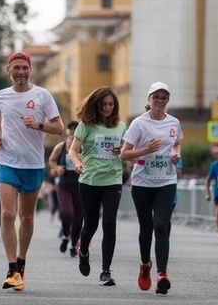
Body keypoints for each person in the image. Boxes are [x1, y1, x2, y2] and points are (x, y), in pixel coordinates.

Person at [0, 51, 63, 291]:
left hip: (32, 165)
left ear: (30, 70)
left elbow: (59, 127)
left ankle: (21, 263)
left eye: (24, 68)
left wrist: (38, 124)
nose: (20, 72)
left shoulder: (42, 95)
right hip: (7, 162)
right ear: (8, 70)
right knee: (7, 214)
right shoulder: (0, 96)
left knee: (27, 217)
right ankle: (11, 269)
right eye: (16, 68)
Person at [120, 82, 181, 295]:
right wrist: (146, 149)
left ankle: (162, 274)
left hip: (166, 181)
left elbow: (176, 143)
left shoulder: (174, 122)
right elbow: (124, 154)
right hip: (142, 183)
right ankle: (145, 264)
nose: (160, 101)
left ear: (167, 101)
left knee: (161, 225)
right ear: (149, 100)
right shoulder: (139, 123)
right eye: (156, 97)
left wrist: (176, 155)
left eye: (164, 98)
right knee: (146, 228)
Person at [68, 87, 126, 287]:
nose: (107, 108)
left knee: (109, 223)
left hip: (113, 180)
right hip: (89, 180)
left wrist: (122, 151)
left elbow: (128, 151)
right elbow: (73, 150)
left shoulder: (121, 127)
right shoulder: (86, 125)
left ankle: (105, 271)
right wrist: (77, 163)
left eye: (111, 104)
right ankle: (83, 251)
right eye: (103, 104)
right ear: (96, 105)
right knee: (91, 224)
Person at [48, 120, 83, 258]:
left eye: (75, 135)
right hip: (64, 185)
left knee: (78, 217)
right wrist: (57, 168)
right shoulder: (60, 147)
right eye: (70, 134)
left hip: (80, 185)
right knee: (67, 212)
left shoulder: (83, 147)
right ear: (67, 134)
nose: (72, 137)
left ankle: (73, 244)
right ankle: (65, 235)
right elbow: (51, 160)